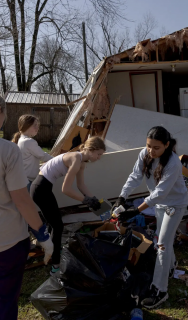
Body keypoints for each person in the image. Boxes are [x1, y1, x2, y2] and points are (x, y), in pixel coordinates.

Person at [112, 126, 188, 309]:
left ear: (166, 145)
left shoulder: (173, 162)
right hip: (160, 205)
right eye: (148, 146)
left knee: (161, 244)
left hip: (175, 205)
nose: (151, 151)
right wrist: (122, 197)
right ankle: (171, 266)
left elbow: (160, 193)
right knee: (164, 241)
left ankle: (160, 290)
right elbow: (135, 176)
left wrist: (137, 210)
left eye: (156, 148)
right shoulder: (144, 154)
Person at [0, 97, 53, 320]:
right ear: (1, 114)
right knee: (4, 303)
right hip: (7, 244)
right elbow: (22, 200)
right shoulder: (8, 151)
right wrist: (43, 236)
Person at [30, 136, 105, 275]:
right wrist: (86, 201)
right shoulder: (76, 158)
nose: (99, 157)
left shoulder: (81, 162)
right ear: (91, 149)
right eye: (99, 154)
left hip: (43, 188)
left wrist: (95, 200)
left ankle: (49, 252)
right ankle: (55, 266)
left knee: (55, 224)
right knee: (57, 225)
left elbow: (81, 185)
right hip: (40, 188)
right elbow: (66, 189)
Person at [12, 114, 53, 191]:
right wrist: (59, 160)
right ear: (27, 126)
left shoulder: (21, 140)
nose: (37, 128)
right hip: (29, 181)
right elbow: (43, 156)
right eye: (35, 125)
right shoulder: (29, 141)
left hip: (24, 179)